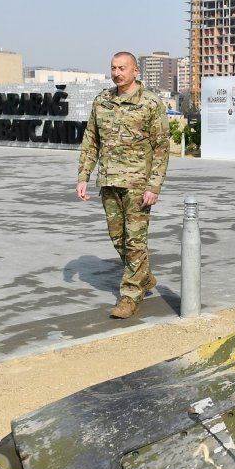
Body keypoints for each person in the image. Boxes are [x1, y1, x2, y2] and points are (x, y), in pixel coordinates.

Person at [76, 51, 170, 319]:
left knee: (135, 241)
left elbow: (162, 147)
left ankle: (129, 296)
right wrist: (83, 176)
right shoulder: (102, 101)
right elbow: (91, 140)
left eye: (122, 68)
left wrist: (154, 186)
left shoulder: (151, 103)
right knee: (118, 239)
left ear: (135, 71)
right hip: (108, 181)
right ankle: (145, 277)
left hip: (138, 184)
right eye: (113, 68)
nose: (117, 73)